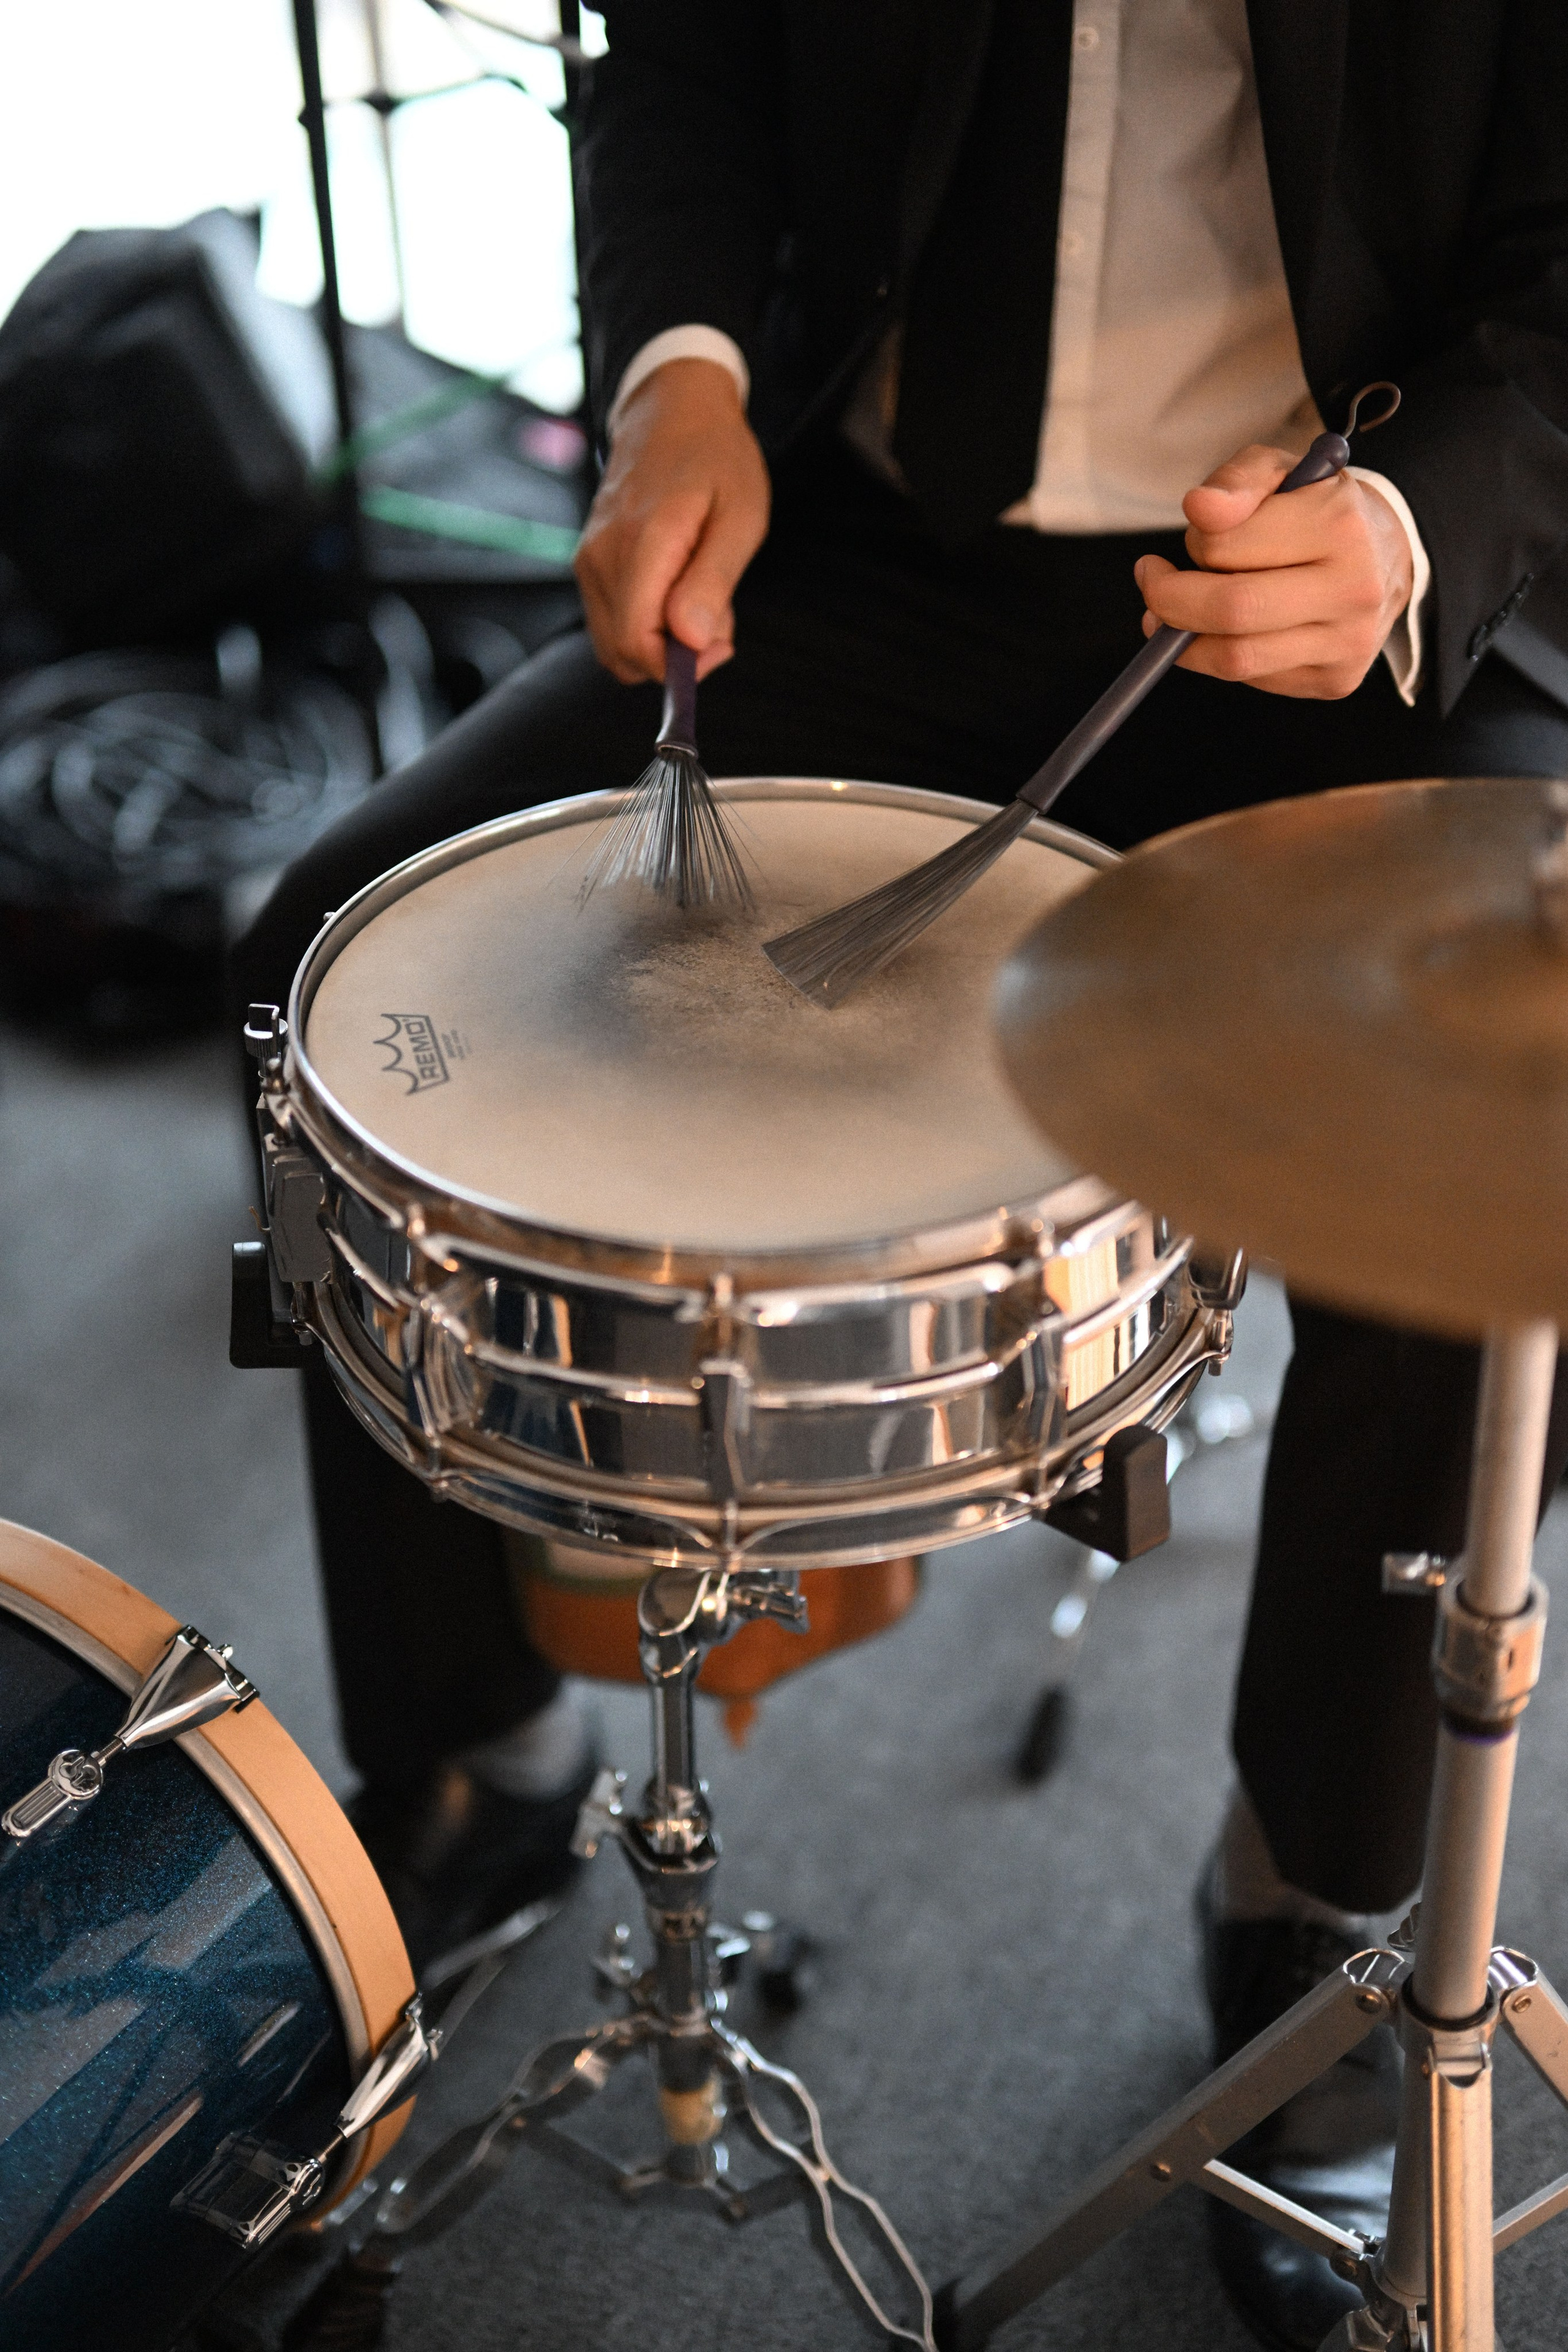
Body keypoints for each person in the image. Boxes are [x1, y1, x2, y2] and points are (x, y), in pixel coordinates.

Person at [232, 4, 1568, 2342]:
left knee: (1502, 1162)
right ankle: (474, 1747)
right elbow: (688, 54)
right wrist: (681, 376)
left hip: (1352, 573)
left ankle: (1313, 1898)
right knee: (329, 970)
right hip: (873, 523)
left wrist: (1420, 506)